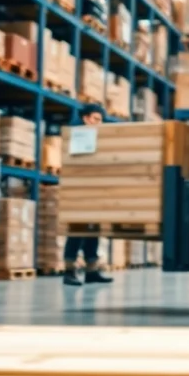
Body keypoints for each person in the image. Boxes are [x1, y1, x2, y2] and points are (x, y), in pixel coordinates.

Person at [63, 104, 114, 287]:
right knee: (77, 230)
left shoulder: (96, 138)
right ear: (85, 118)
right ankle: (69, 271)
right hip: (78, 189)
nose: (99, 123)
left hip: (93, 188)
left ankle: (91, 271)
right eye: (96, 119)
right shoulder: (77, 136)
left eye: (101, 120)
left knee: (93, 229)